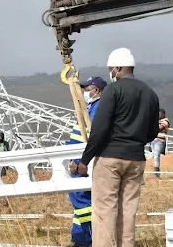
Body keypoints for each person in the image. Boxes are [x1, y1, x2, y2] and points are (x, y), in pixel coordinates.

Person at [70, 48, 159, 247]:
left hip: (110, 159)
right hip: (136, 160)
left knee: (104, 212)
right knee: (128, 213)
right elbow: (153, 132)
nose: (111, 73)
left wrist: (85, 160)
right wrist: (135, 142)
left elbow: (100, 129)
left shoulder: (114, 90)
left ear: (118, 68)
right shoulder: (150, 94)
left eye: (112, 69)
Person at [65, 76, 106, 247]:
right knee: (80, 204)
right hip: (77, 159)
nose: (85, 93)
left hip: (83, 162)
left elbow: (89, 138)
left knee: (81, 200)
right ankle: (80, 239)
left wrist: (78, 160)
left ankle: (91, 236)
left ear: (96, 90)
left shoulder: (98, 109)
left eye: (87, 90)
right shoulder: (88, 108)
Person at [151, 109, 169, 178]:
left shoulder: (165, 121)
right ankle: (156, 172)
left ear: (163, 114)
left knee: (156, 156)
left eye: (159, 114)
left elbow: (159, 128)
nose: (158, 115)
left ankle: (156, 173)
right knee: (154, 156)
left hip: (160, 141)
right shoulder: (156, 121)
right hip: (153, 140)